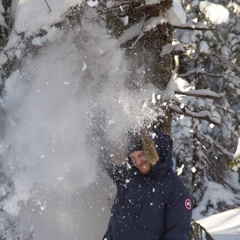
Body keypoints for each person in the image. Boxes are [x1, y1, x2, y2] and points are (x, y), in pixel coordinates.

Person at [100, 128, 192, 240]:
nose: (137, 162)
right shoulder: (128, 178)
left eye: (141, 155)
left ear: (153, 151)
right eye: (132, 158)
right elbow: (102, 156)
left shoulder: (175, 190)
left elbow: (177, 235)